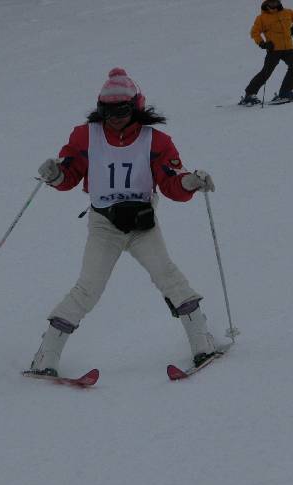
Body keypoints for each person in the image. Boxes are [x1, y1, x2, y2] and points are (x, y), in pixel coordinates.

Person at [27, 67, 219, 377]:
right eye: (107, 111)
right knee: (88, 288)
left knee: (169, 278)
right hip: (105, 224)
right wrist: (55, 175)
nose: (114, 118)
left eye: (122, 110)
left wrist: (192, 182)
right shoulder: (85, 136)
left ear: (136, 107)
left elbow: (172, 183)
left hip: (142, 225)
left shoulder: (155, 140)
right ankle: (44, 358)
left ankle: (203, 344)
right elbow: (69, 175)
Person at [240, 0, 293, 106]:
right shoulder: (261, 18)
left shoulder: (287, 12)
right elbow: (255, 32)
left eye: (276, 2)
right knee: (266, 72)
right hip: (274, 49)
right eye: (271, 2)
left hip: (288, 48)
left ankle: (285, 92)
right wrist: (262, 43)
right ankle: (249, 94)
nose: (274, 4)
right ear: (267, 3)